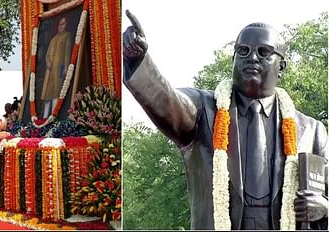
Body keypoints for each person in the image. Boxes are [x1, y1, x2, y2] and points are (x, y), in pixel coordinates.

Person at [123, 10, 328, 230]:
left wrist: (325, 209)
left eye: (263, 51)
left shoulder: (310, 130)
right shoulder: (204, 109)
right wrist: (138, 59)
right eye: (243, 50)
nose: (252, 57)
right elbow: (167, 99)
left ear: (282, 67)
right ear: (233, 59)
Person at [41, 16, 72, 119]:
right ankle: (45, 117)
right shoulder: (53, 39)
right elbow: (47, 54)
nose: (60, 26)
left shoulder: (67, 36)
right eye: (59, 24)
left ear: (66, 25)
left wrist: (66, 67)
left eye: (63, 24)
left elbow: (67, 53)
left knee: (56, 93)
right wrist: (48, 62)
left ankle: (53, 117)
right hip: (50, 71)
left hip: (59, 68)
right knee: (47, 95)